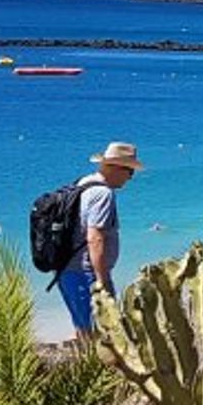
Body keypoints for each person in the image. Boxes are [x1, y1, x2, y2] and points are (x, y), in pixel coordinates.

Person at [58, 142, 142, 337]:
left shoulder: (82, 183)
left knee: (83, 330)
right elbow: (95, 237)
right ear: (114, 167)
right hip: (85, 272)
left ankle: (86, 366)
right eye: (130, 171)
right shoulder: (102, 193)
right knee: (103, 334)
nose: (130, 178)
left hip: (66, 269)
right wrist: (102, 281)